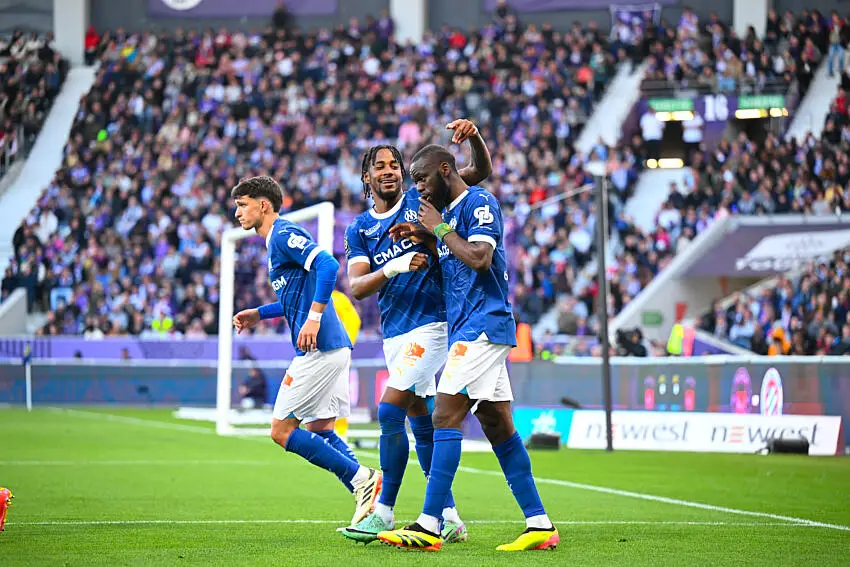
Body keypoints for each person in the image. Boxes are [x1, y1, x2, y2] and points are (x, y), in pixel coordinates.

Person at [377, 145, 558, 552]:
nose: (419, 189)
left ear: (445, 170)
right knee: (497, 425)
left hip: (483, 326)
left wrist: (439, 229)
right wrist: (428, 236)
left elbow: (479, 257)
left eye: (422, 179)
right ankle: (540, 524)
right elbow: (455, 253)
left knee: (444, 415)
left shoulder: (479, 203)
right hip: (468, 327)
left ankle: (430, 525)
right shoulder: (447, 216)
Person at [340, 119, 491, 544]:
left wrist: (475, 139)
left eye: (394, 165)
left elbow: (477, 172)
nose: (389, 171)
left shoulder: (421, 200)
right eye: (380, 166)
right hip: (395, 332)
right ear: (366, 177)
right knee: (419, 418)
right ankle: (450, 517)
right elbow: (358, 286)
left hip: (433, 324)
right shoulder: (359, 229)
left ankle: (383, 511)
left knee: (389, 411)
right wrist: (394, 266)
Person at [230, 176, 381, 527]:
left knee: (281, 431)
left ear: (263, 205)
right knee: (321, 428)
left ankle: (362, 479)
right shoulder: (274, 242)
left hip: (319, 347)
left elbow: (328, 264)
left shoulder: (283, 233)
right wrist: (259, 313)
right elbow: (295, 296)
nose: (237, 213)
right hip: (332, 346)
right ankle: (369, 501)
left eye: (242, 205)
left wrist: (313, 319)